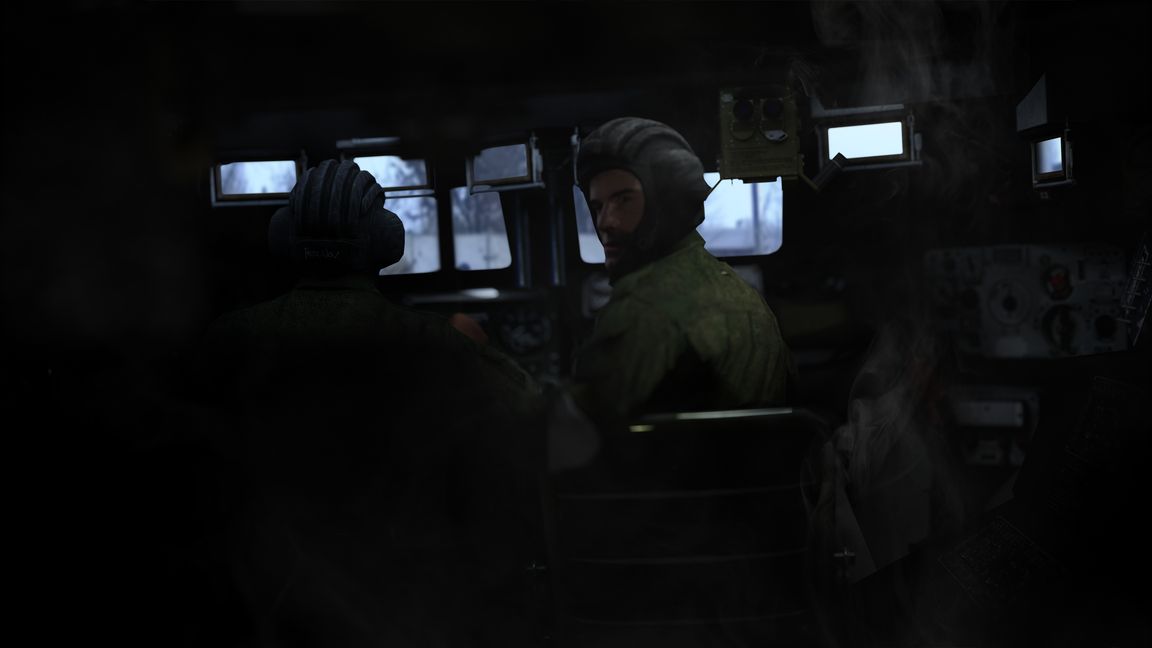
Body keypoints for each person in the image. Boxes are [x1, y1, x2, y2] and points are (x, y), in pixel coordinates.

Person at [190, 159, 546, 647]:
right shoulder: (431, 341)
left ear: (285, 237)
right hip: (400, 600)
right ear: (384, 240)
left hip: (265, 596)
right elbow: (528, 409)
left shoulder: (228, 339)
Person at [569, 117, 794, 424]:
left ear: (667, 203)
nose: (604, 223)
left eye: (623, 201)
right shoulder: (738, 291)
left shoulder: (645, 307)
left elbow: (575, 429)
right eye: (598, 207)